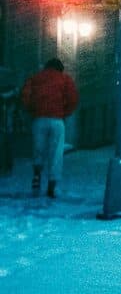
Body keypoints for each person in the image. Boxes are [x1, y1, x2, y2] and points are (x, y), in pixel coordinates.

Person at [20, 58, 78, 198]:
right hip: (57, 120)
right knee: (56, 152)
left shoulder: (36, 78)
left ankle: (37, 175)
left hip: (39, 119)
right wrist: (64, 113)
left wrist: (32, 111)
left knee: (38, 149)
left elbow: (25, 96)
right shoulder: (65, 79)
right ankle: (52, 184)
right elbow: (73, 98)